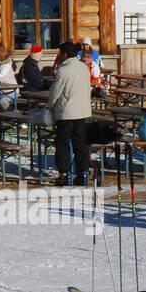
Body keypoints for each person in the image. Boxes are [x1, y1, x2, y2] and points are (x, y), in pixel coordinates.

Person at [47, 41, 92, 185]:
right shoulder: (83, 68)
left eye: (60, 54)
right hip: (82, 110)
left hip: (67, 112)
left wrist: (51, 106)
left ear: (65, 54)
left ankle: (64, 174)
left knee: (62, 144)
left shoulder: (63, 70)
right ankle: (82, 174)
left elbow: (55, 92)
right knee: (80, 144)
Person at [0, 44, 18, 108]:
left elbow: (0, 77)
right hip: (1, 90)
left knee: (2, 101)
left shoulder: (7, 65)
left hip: (10, 91)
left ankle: (8, 114)